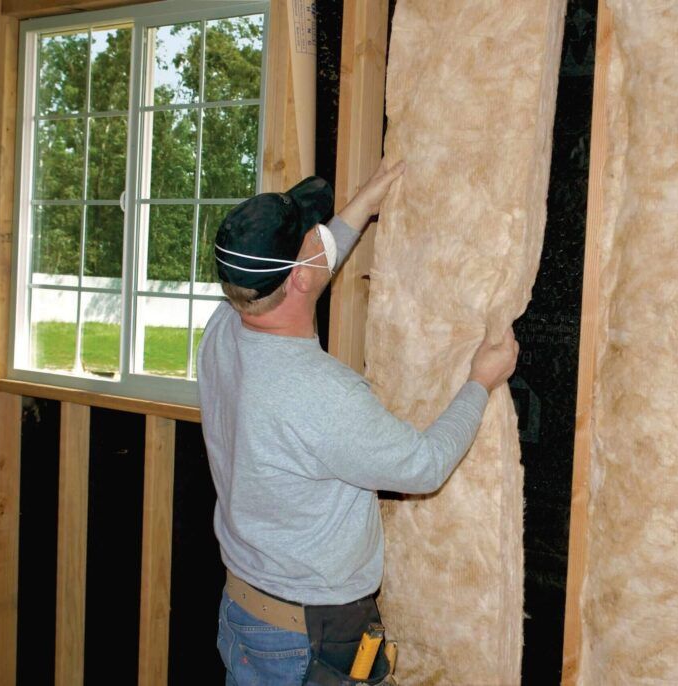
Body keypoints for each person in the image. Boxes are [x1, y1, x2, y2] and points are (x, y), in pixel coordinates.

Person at [197, 159, 519, 685]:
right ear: (298, 277)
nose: (321, 234)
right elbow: (423, 466)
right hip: (306, 639)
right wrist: (480, 382)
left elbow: (297, 283)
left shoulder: (225, 325)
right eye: (312, 235)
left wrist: (361, 208)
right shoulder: (320, 394)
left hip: (245, 613)